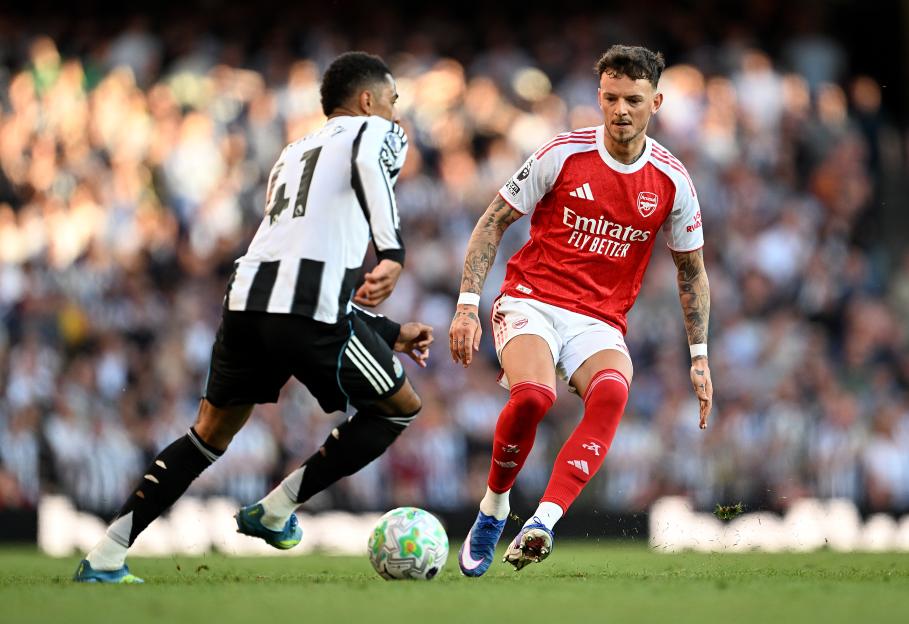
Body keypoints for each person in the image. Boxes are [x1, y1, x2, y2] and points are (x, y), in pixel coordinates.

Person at [75, 51, 431, 583]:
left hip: (246, 300)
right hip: (305, 310)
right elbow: (363, 174)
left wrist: (389, 331)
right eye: (392, 99)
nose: (395, 110)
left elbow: (300, 261)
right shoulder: (377, 132)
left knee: (207, 436)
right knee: (397, 408)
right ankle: (276, 509)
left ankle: (105, 554)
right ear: (366, 101)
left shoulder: (292, 152)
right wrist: (393, 253)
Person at [450, 45, 713, 575]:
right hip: (532, 301)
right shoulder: (562, 153)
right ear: (599, 96)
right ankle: (493, 508)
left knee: (615, 390)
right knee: (534, 396)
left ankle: (543, 522)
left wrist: (700, 356)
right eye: (611, 97)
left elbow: (691, 271)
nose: (620, 110)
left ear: (656, 102)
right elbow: (494, 220)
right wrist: (465, 305)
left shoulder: (671, 180)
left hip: (599, 320)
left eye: (633, 100)